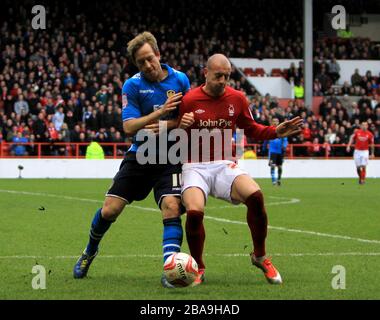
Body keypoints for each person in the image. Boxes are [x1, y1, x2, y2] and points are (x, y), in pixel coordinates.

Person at [73, 31, 190, 288]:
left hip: (171, 156)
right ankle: (89, 251)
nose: (148, 65)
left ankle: (170, 268)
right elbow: (129, 127)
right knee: (110, 210)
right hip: (140, 154)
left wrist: (167, 125)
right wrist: (159, 113)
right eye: (141, 62)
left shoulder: (181, 80)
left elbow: (189, 119)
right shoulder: (132, 85)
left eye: (150, 58)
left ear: (158, 54)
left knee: (171, 206)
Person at [178, 54, 303, 285]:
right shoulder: (189, 100)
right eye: (218, 76)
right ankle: (198, 267)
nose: (223, 80)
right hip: (194, 165)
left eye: (227, 76)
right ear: (206, 73)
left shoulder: (238, 99)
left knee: (255, 196)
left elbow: (252, 128)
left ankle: (260, 256)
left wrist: (275, 131)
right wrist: (179, 127)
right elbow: (173, 136)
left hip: (224, 163)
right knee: (195, 213)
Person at [264, 117, 288, 186]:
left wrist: (284, 145)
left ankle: (279, 179)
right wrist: (264, 148)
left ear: (278, 122)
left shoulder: (281, 131)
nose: (275, 122)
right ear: (271, 122)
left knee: (280, 167)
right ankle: (273, 181)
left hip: (280, 152)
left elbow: (285, 139)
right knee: (273, 166)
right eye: (274, 121)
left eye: (276, 121)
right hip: (272, 152)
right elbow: (265, 140)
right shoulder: (269, 130)